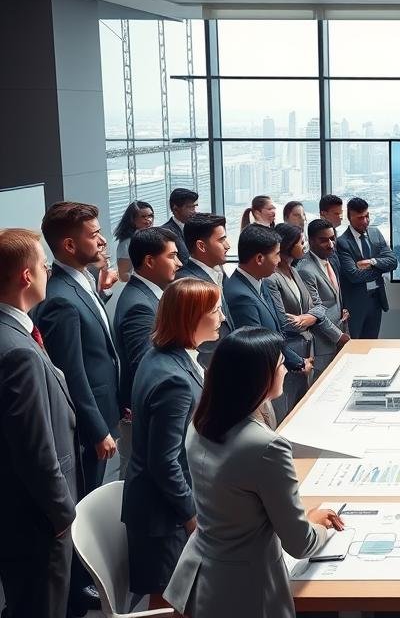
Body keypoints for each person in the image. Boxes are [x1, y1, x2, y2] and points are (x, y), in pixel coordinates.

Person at [163, 328, 345, 618]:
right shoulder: (266, 447)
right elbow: (300, 543)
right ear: (258, 379)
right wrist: (318, 526)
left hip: (200, 580)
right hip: (247, 594)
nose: (285, 369)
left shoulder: (200, 424)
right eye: (279, 365)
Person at [35, 202, 119, 615]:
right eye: (93, 234)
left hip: (104, 412)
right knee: (81, 505)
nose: (102, 240)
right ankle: (75, 590)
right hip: (88, 426)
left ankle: (83, 579)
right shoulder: (62, 299)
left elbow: (100, 354)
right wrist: (98, 427)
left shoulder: (83, 283)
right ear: (69, 244)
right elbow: (73, 374)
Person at [122, 278, 221, 608]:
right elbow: (164, 462)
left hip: (160, 506)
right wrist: (190, 514)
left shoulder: (163, 357)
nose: (221, 316)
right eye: (215, 310)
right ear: (193, 318)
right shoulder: (174, 380)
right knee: (169, 604)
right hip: (163, 516)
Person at [0, 228, 80, 618]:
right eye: (43, 263)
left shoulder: (14, 332)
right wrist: (62, 514)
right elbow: (35, 449)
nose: (49, 269)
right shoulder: (18, 352)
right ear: (26, 276)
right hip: (37, 519)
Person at [113, 227, 181, 480]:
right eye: (172, 256)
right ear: (150, 261)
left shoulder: (150, 296)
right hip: (148, 412)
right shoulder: (139, 305)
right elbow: (147, 364)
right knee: (141, 476)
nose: (179, 262)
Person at [265, 223, 344, 419]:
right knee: (286, 409)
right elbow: (283, 322)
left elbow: (317, 306)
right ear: (287, 245)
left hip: (306, 349)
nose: (304, 246)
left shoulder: (294, 271)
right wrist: (308, 317)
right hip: (290, 352)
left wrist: (307, 317)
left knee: (302, 408)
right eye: (301, 242)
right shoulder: (272, 278)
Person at [222, 224, 311, 391]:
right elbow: (258, 345)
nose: (279, 260)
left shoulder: (260, 281)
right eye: (277, 254)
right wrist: (297, 362)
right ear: (259, 259)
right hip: (262, 381)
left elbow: (277, 330)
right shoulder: (241, 296)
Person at [176, 213, 235, 369]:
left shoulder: (216, 273)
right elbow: (195, 340)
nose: (228, 245)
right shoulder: (189, 283)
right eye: (221, 240)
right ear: (201, 246)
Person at [336, 197, 398, 339]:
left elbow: (393, 262)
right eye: (360, 218)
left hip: (376, 300)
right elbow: (354, 275)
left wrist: (372, 262)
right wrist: (381, 269)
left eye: (367, 216)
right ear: (349, 217)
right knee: (356, 344)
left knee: (372, 342)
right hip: (356, 304)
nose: (365, 221)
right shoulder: (342, 242)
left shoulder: (375, 233)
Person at [297, 218, 350, 381]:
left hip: (338, 335)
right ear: (311, 240)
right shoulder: (306, 269)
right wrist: (338, 336)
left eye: (332, 238)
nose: (330, 244)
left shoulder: (329, 260)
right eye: (323, 240)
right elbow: (314, 311)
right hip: (322, 344)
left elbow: (332, 297)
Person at [112, 200, 154, 281]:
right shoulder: (127, 243)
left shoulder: (152, 236)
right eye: (143, 217)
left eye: (150, 216)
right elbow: (123, 275)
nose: (149, 220)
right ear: (132, 220)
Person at [162, 188, 199, 260]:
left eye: (194, 207)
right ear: (175, 208)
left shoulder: (196, 227)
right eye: (190, 207)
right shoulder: (165, 233)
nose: (194, 212)